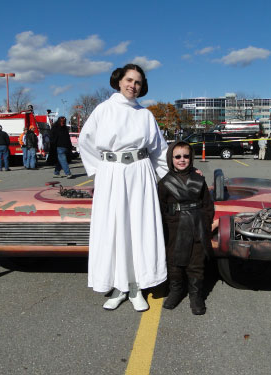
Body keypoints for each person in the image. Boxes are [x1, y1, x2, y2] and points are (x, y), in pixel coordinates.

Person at [78, 63, 169, 312]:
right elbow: (85, 142)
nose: (133, 86)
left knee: (138, 228)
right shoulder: (103, 110)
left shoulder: (145, 115)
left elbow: (160, 150)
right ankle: (119, 286)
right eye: (129, 80)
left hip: (140, 174)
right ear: (119, 81)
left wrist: (166, 177)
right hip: (111, 175)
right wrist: (101, 173)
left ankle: (137, 285)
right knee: (114, 228)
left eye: (138, 82)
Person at [158, 141, 214, 315]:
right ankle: (176, 291)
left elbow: (207, 205)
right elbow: (159, 207)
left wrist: (205, 223)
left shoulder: (199, 179)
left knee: (196, 261)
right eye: (177, 157)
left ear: (191, 158)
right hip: (174, 226)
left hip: (196, 224)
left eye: (186, 156)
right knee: (174, 261)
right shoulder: (164, 182)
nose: (182, 160)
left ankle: (196, 296)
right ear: (171, 159)